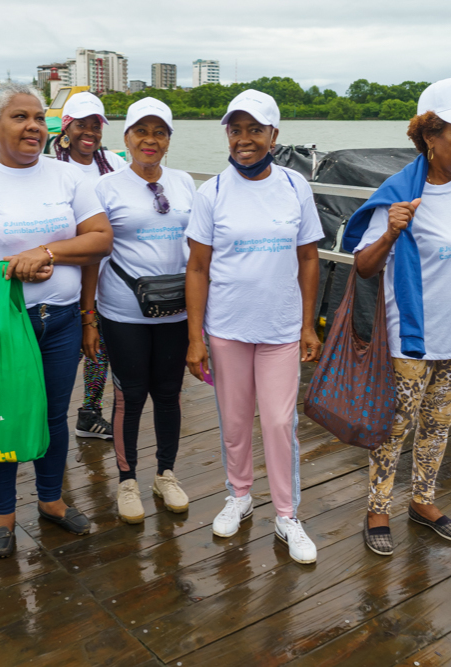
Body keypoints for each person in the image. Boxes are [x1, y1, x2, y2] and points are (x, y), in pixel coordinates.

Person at [0, 81, 113, 558]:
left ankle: (50, 501)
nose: (33, 126)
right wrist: (10, 268)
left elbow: (100, 239)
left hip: (61, 321)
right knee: (1, 418)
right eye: (20, 117)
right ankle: (4, 514)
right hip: (6, 325)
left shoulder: (70, 178)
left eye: (38, 118)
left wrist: (46, 252)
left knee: (52, 417)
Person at [343, 77, 451, 556]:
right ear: (429, 136)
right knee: (394, 427)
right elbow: (362, 266)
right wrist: (389, 234)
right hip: (413, 337)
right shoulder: (402, 191)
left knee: (438, 425)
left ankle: (422, 501)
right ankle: (378, 508)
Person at [185, 89, 323, 565]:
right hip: (226, 329)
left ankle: (287, 513)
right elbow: (197, 268)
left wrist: (308, 325)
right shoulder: (213, 192)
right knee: (236, 421)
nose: (244, 139)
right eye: (236, 129)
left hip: (281, 329)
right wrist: (195, 338)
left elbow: (308, 257)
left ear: (273, 135)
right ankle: (239, 495)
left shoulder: (293, 185)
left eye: (255, 129)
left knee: (282, 422)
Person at [91, 97, 194, 523]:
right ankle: (127, 478)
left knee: (169, 394)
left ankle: (165, 473)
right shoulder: (107, 186)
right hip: (123, 309)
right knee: (129, 395)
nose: (150, 140)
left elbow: (202, 247)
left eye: (160, 132)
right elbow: (93, 254)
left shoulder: (185, 181)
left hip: (177, 310)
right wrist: (89, 316)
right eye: (141, 132)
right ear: (127, 137)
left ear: (169, 140)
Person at [53, 91, 127, 441]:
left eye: (96, 125)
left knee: (99, 346)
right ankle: (47, 414)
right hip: (64, 270)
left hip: (107, 271)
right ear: (66, 127)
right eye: (81, 125)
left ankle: (89, 412)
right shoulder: (51, 165)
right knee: (66, 349)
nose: (90, 133)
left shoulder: (113, 162)